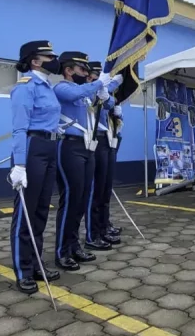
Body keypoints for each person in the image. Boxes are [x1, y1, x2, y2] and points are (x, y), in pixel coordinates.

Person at [9, 40, 63, 294]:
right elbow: (20, 128)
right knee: (26, 213)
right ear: (35, 61)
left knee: (41, 210)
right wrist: (19, 164)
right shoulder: (26, 87)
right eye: (49, 55)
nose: (55, 59)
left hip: (50, 147)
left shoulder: (47, 86)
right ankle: (23, 270)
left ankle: (37, 263)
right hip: (32, 150)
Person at [52, 51, 111, 271]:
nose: (87, 74)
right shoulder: (62, 88)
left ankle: (74, 245)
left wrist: (105, 88)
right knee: (70, 200)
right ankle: (62, 251)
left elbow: (106, 103)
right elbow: (83, 91)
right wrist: (98, 83)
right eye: (82, 70)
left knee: (82, 200)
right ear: (68, 70)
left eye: (88, 71)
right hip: (70, 147)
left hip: (88, 148)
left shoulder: (85, 92)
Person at [85, 61, 123, 251]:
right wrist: (106, 85)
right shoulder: (86, 91)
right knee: (96, 191)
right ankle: (93, 233)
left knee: (105, 190)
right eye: (96, 75)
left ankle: (103, 226)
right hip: (95, 140)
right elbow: (96, 103)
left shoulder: (101, 90)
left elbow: (109, 103)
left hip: (108, 138)